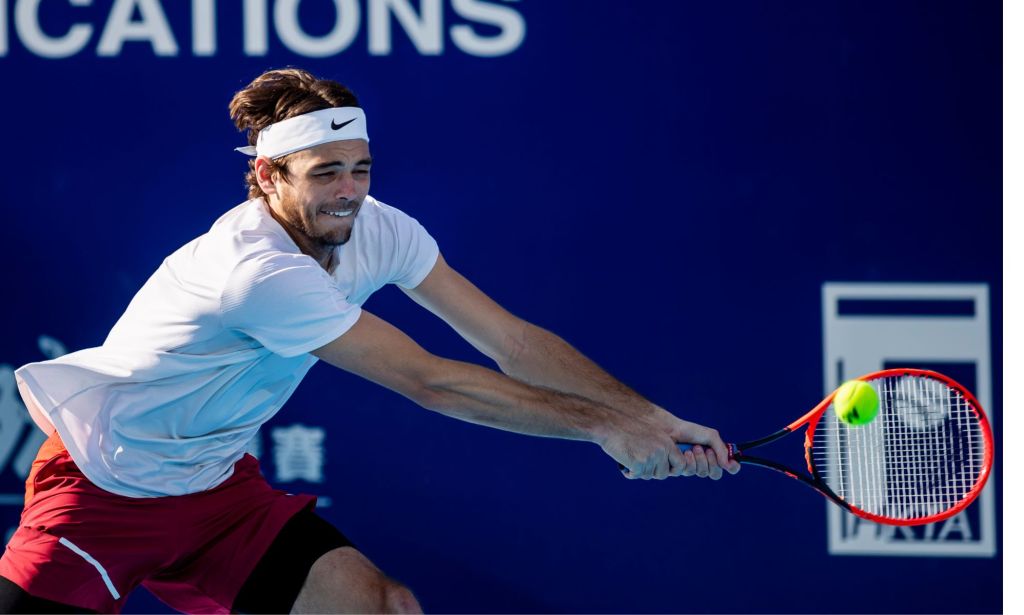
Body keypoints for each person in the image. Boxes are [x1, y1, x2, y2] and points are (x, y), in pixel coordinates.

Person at [0, 68, 740, 614]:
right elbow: (431, 381)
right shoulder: (255, 270)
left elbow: (510, 341)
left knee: (385, 607)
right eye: (325, 174)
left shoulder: (378, 226)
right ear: (267, 176)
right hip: (104, 483)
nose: (349, 191)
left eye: (360, 168)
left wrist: (648, 418)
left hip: (217, 489)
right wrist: (606, 428)